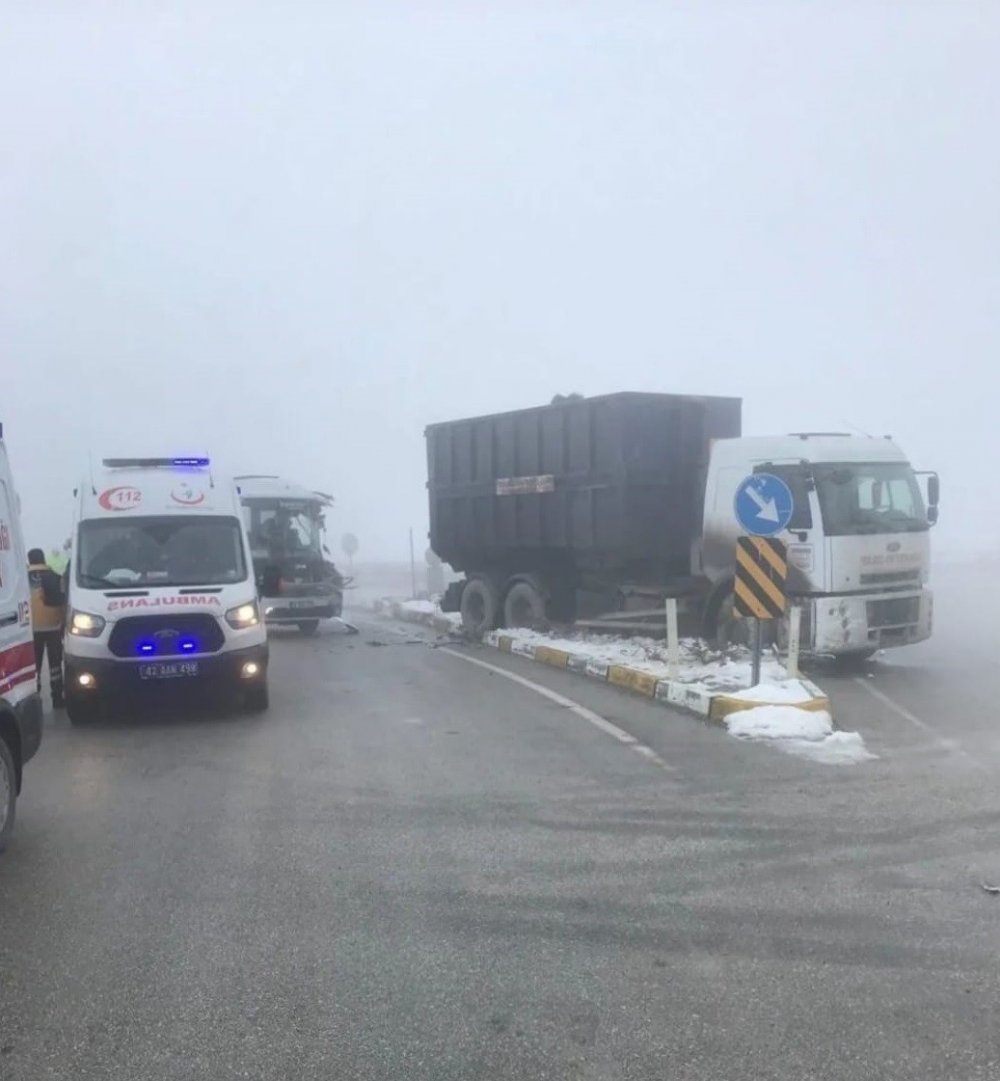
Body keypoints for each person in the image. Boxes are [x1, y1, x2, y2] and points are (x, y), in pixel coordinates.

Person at [28, 547, 66, 708]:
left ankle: (34, 697)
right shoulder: (55, 577)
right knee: (55, 664)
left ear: (30, 560)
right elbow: (64, 601)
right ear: (43, 559)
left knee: (33, 665)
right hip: (53, 627)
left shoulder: (22, 578)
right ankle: (57, 697)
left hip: (31, 629)